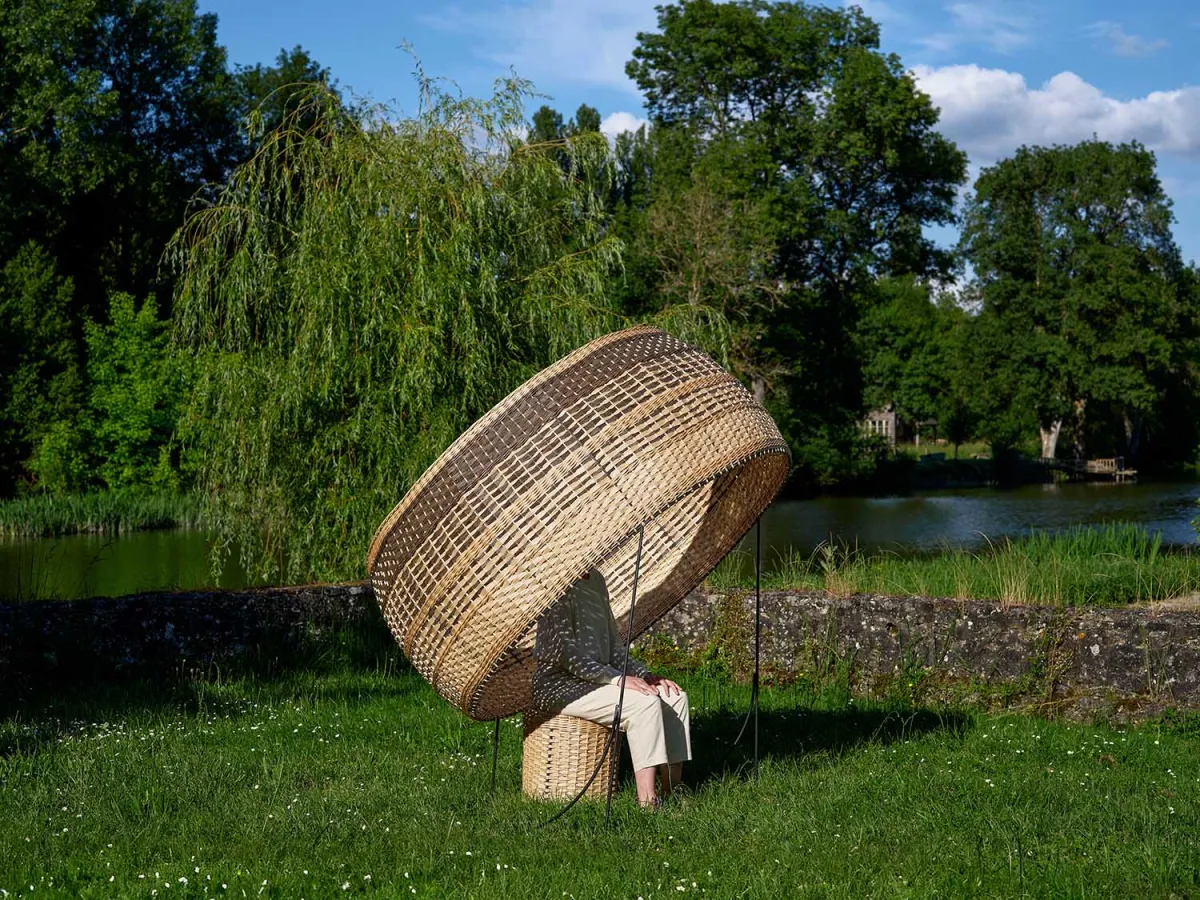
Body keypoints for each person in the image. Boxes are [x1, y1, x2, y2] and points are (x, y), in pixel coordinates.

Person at [532, 566, 691, 808]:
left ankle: (673, 790)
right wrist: (617, 679)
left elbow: (614, 648)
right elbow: (567, 655)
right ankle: (648, 802)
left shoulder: (596, 579)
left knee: (674, 696)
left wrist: (646, 676)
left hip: (598, 678)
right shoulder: (555, 585)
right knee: (644, 704)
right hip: (558, 684)